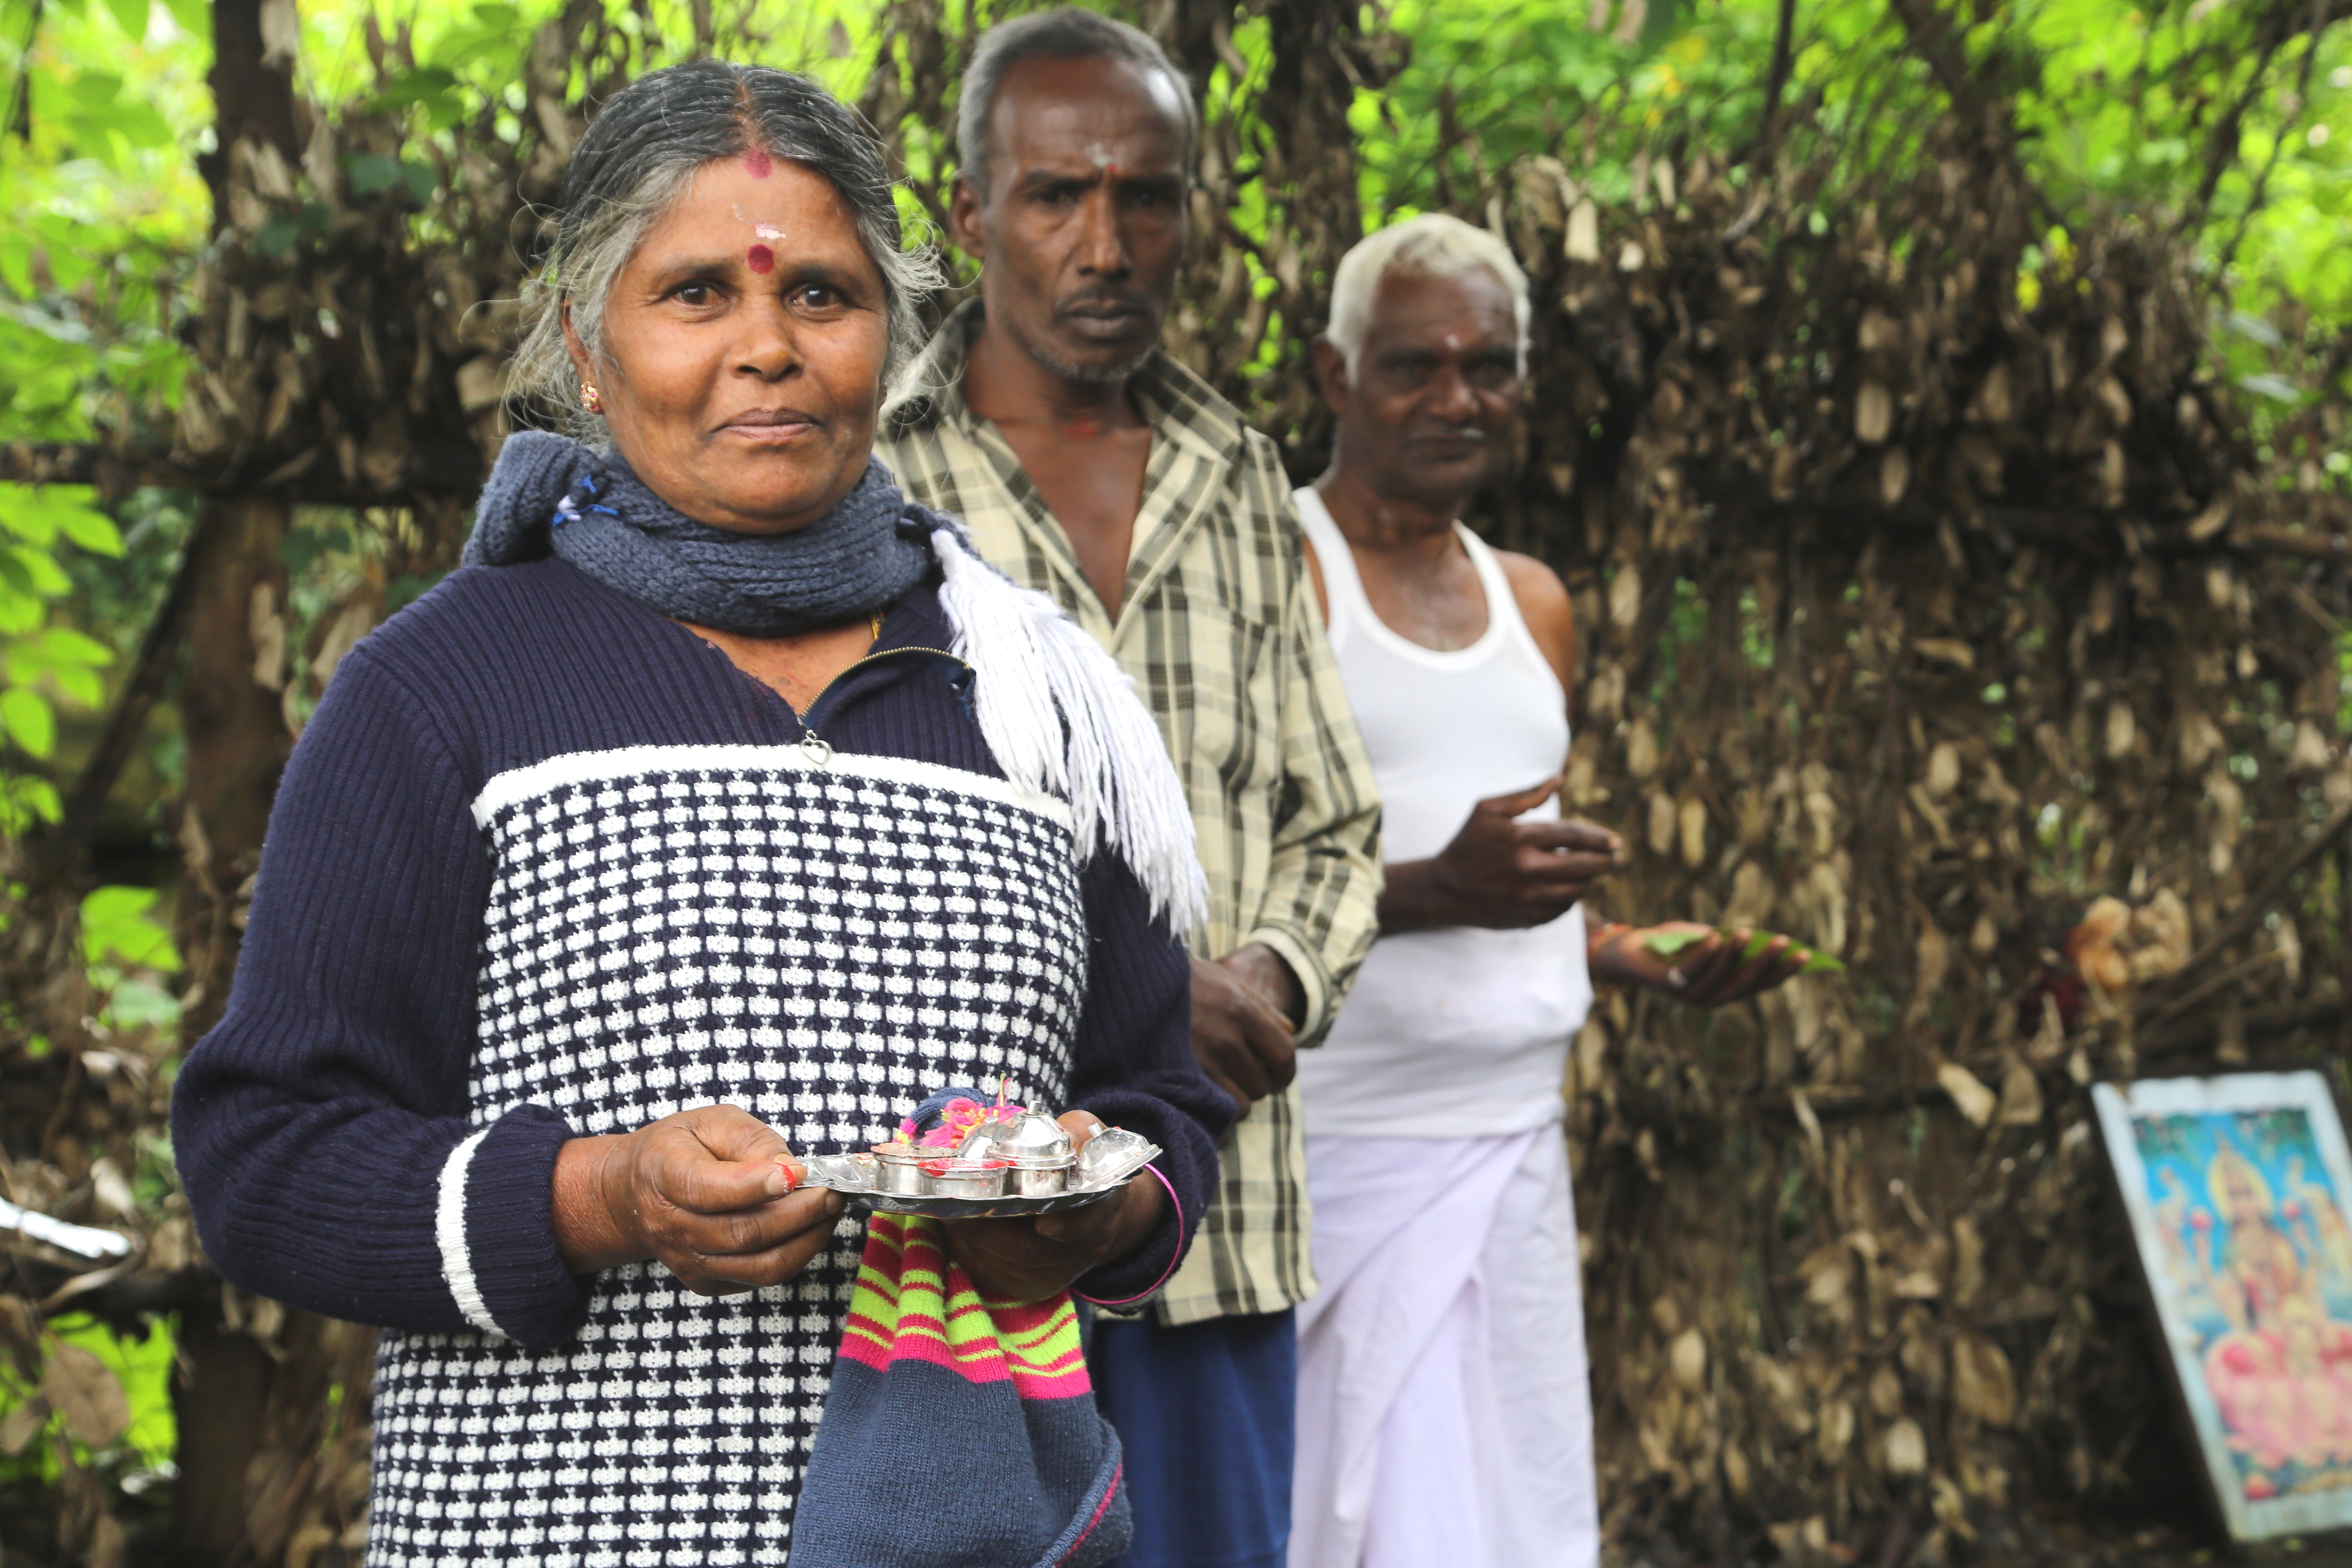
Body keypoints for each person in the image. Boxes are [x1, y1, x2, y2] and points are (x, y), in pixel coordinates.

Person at [169, 60, 1235, 1568]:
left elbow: (1162, 1103)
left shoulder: (1031, 687)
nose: (767, 350)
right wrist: (592, 1194)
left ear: (895, 332)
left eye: (821, 294)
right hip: (556, 1531)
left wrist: (1098, 1213)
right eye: (693, 296)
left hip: (984, 1530)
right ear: (585, 352)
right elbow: (261, 1157)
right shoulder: (441, 687)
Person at [876, 12, 1382, 1568]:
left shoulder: (1237, 469)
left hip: (1220, 1220)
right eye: (1055, 196)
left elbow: (1337, 819)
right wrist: (1143, 991)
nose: (1107, 242)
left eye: (1145, 196)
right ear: (970, 215)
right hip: (968, 1227)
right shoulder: (873, 478)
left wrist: (1269, 976)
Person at [1284, 214, 1811, 1568]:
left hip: (1512, 1145)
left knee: (1502, 1522)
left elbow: (1525, 891)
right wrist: (1431, 888)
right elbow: (1210, 893)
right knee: (1351, 1520)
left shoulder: (1535, 604)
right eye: (1415, 364)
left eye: (1491, 365)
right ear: (1336, 377)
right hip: (1341, 1159)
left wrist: (1634, 950)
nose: (1459, 396)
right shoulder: (1278, 576)